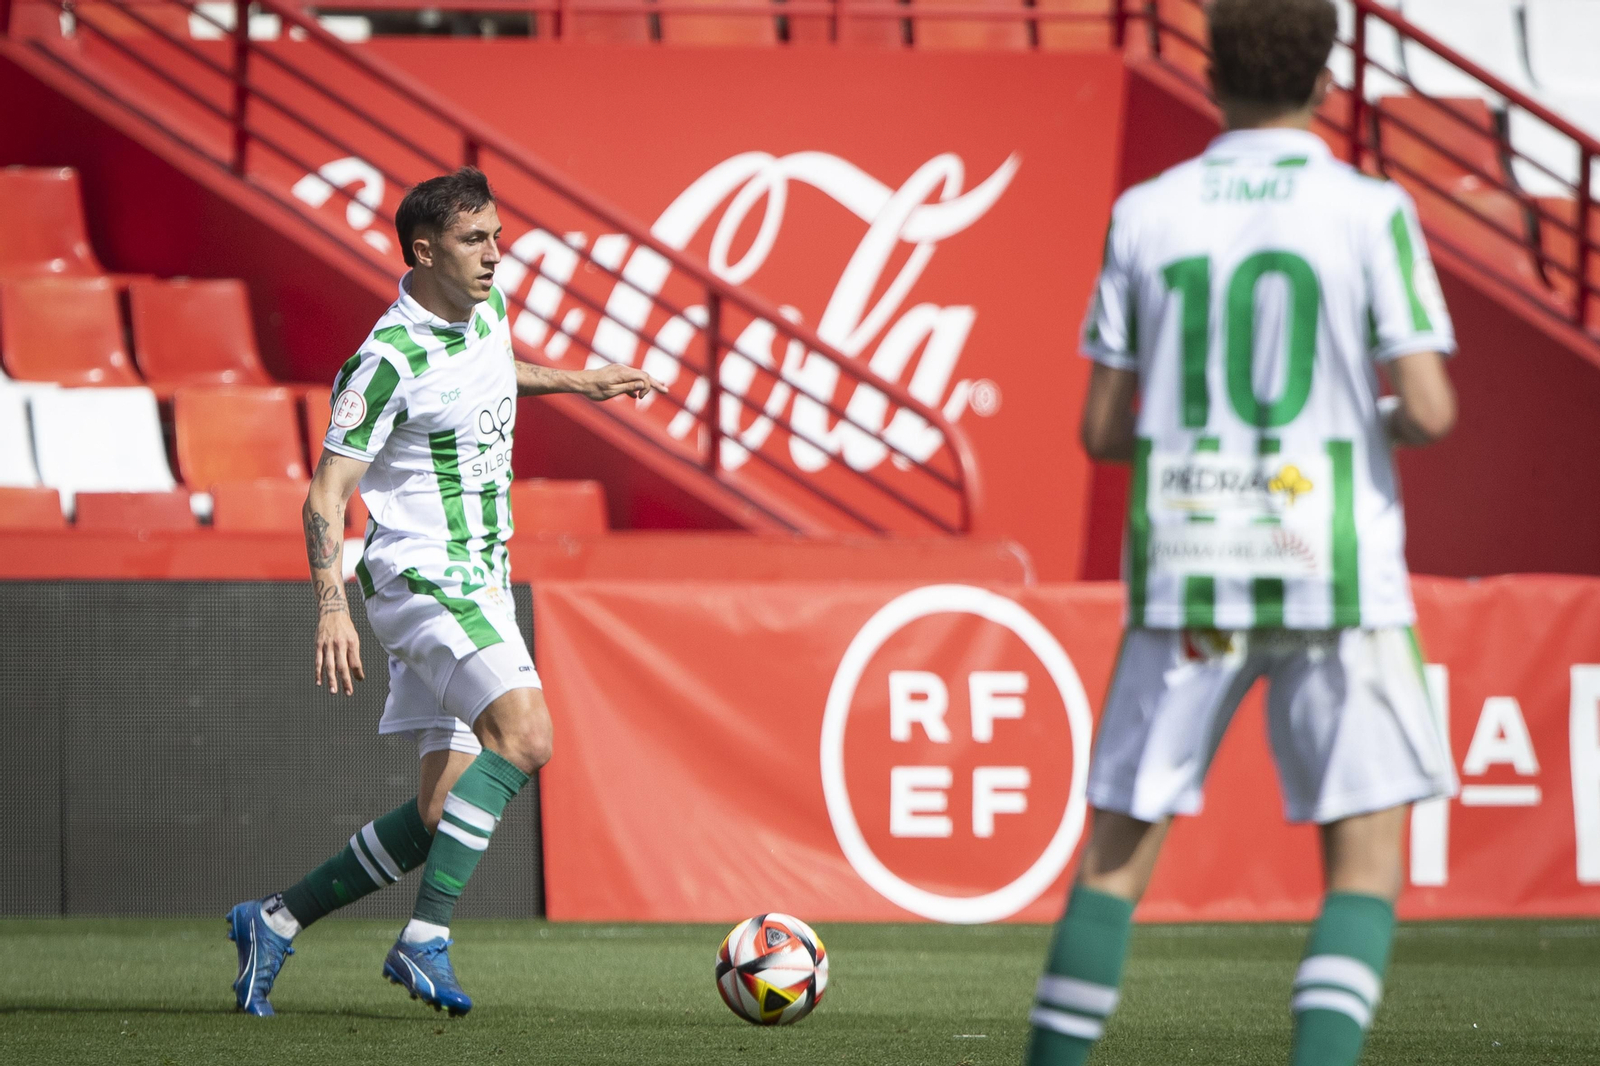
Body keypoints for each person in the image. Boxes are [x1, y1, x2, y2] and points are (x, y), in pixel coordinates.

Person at [1025, 2, 1459, 1064]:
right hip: (1335, 572)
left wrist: (1202, 442)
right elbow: (1432, 409)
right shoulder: (1371, 210)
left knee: (1114, 865)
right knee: (1360, 866)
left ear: (1209, 71)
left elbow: (1098, 430)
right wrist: (1357, 425)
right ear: (1326, 77)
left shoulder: (1148, 212)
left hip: (1191, 570)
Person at [225, 167, 662, 1018]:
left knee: (438, 813)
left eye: (497, 235)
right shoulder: (384, 361)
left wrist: (579, 380)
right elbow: (324, 495)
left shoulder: (485, 313)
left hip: (483, 579)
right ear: (424, 251)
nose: (496, 254)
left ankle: (272, 921)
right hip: (424, 578)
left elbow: (489, 377)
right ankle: (424, 942)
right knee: (527, 738)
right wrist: (329, 603)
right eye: (475, 240)